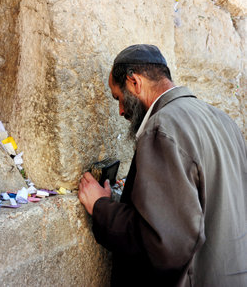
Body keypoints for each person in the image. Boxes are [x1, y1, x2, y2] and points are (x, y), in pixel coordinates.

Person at [78, 44, 246, 286]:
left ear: (134, 82)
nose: (121, 110)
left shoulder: (162, 127)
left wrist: (100, 206)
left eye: (119, 97)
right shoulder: (224, 121)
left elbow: (163, 241)